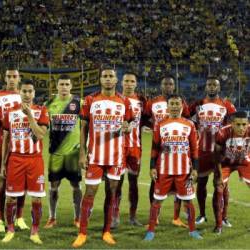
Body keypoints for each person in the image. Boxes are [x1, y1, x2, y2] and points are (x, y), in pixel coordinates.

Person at [72, 68, 133, 248]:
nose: (107, 79)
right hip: (95, 156)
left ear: (116, 80)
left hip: (116, 156)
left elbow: (128, 125)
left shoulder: (124, 102)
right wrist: (82, 153)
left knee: (112, 192)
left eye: (111, 76)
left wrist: (127, 127)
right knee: (90, 192)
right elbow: (83, 128)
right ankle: (82, 232)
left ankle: (106, 231)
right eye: (104, 76)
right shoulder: (90, 100)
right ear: (100, 79)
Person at [144, 94, 202, 241]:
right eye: (172, 104)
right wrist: (152, 167)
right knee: (157, 201)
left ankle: (192, 230)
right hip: (164, 171)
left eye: (178, 104)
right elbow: (155, 148)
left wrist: (195, 169)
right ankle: (151, 230)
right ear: (167, 107)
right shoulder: (160, 125)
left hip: (184, 172)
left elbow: (194, 149)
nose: (175, 107)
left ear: (182, 107)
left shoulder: (190, 125)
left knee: (188, 201)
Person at [0, 80, 49, 244]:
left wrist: (29, 116)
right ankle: (10, 229)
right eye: (24, 91)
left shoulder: (41, 111)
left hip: (35, 160)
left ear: (34, 93)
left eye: (30, 91)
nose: (27, 95)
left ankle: (35, 231)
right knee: (11, 198)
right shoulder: (10, 113)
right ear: (19, 93)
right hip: (15, 160)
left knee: (36, 198)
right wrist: (3, 163)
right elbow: (6, 139)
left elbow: (41, 134)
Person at [189, 76, 236, 225]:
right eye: (209, 84)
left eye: (214, 85)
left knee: (222, 185)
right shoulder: (197, 105)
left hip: (220, 152)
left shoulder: (227, 105)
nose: (211, 87)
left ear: (219, 88)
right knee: (201, 184)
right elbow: (186, 120)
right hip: (202, 150)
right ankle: (202, 215)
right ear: (205, 87)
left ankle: (224, 217)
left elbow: (233, 128)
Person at [146, 76, 190, 227]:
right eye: (165, 83)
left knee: (179, 184)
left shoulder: (181, 101)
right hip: (160, 147)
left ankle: (176, 217)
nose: (168, 86)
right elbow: (144, 118)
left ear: (174, 85)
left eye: (171, 83)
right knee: (155, 182)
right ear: (161, 85)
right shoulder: (153, 102)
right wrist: (153, 128)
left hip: (178, 148)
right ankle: (155, 217)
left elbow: (188, 120)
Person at [0, 67, 29, 232]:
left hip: (22, 147)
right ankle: (0, 221)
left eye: (14, 76)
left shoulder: (25, 95)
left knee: (23, 183)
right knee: (1, 181)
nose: (12, 79)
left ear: (19, 78)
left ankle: (19, 218)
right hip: (3, 145)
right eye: (9, 76)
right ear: (4, 78)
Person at [108, 72, 148, 228]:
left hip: (135, 147)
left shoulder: (141, 101)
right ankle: (115, 216)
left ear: (136, 84)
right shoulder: (116, 99)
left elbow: (147, 118)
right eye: (126, 81)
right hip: (117, 147)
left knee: (133, 183)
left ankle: (133, 216)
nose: (129, 84)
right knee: (116, 182)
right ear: (121, 83)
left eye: (132, 81)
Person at [44, 75, 82, 229]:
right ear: (57, 86)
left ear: (71, 86)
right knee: (53, 187)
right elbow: (42, 125)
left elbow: (86, 126)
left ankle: (78, 218)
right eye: (62, 84)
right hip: (56, 154)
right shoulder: (49, 104)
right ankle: (52, 217)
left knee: (76, 186)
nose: (64, 87)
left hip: (74, 154)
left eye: (67, 84)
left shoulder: (79, 103)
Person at [213, 111, 250, 234]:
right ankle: (219, 225)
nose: (241, 128)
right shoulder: (223, 132)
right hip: (225, 163)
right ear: (231, 124)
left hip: (244, 161)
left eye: (244, 124)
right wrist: (218, 176)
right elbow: (216, 156)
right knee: (219, 189)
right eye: (238, 124)